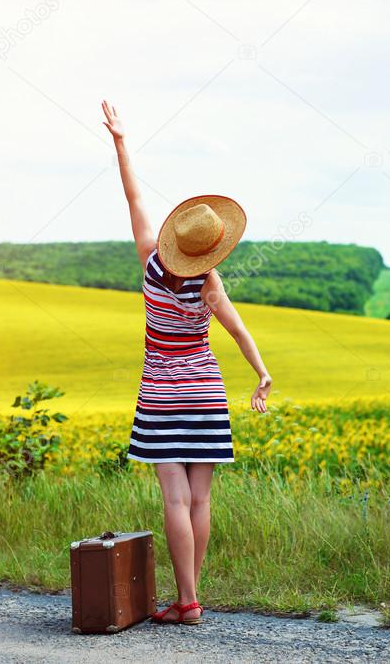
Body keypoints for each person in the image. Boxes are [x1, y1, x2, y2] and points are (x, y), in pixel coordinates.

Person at [101, 100, 272, 626]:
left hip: (160, 391)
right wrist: (262, 375)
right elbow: (239, 332)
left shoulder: (151, 261)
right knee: (201, 499)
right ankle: (189, 600)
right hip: (206, 391)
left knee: (174, 500)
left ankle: (188, 601)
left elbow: (133, 195)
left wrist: (121, 141)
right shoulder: (211, 283)